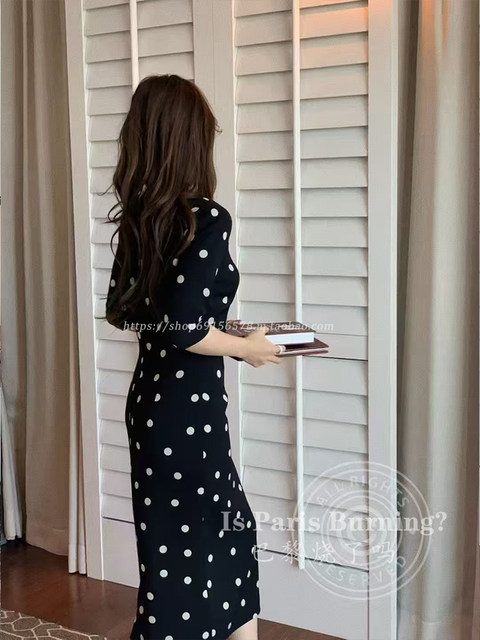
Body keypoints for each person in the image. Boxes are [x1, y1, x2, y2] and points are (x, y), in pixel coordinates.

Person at [105, 74, 282, 640]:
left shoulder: (141, 217)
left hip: (152, 405)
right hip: (186, 410)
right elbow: (184, 328)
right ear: (190, 140)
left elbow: (128, 313)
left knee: (182, 548)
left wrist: (231, 334)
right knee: (210, 544)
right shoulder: (206, 217)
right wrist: (246, 349)